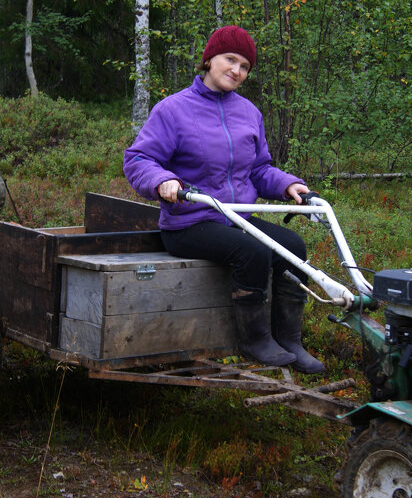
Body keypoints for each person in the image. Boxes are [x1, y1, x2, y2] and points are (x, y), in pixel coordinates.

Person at [123, 25, 325, 373]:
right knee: (253, 251)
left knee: (293, 246)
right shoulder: (173, 110)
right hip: (189, 221)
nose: (237, 70)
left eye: (245, 66)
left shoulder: (249, 113)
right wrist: (164, 181)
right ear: (209, 59)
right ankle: (255, 339)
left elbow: (259, 170)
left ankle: (290, 339)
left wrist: (290, 186)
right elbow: (138, 160)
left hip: (235, 218)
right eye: (230, 60)